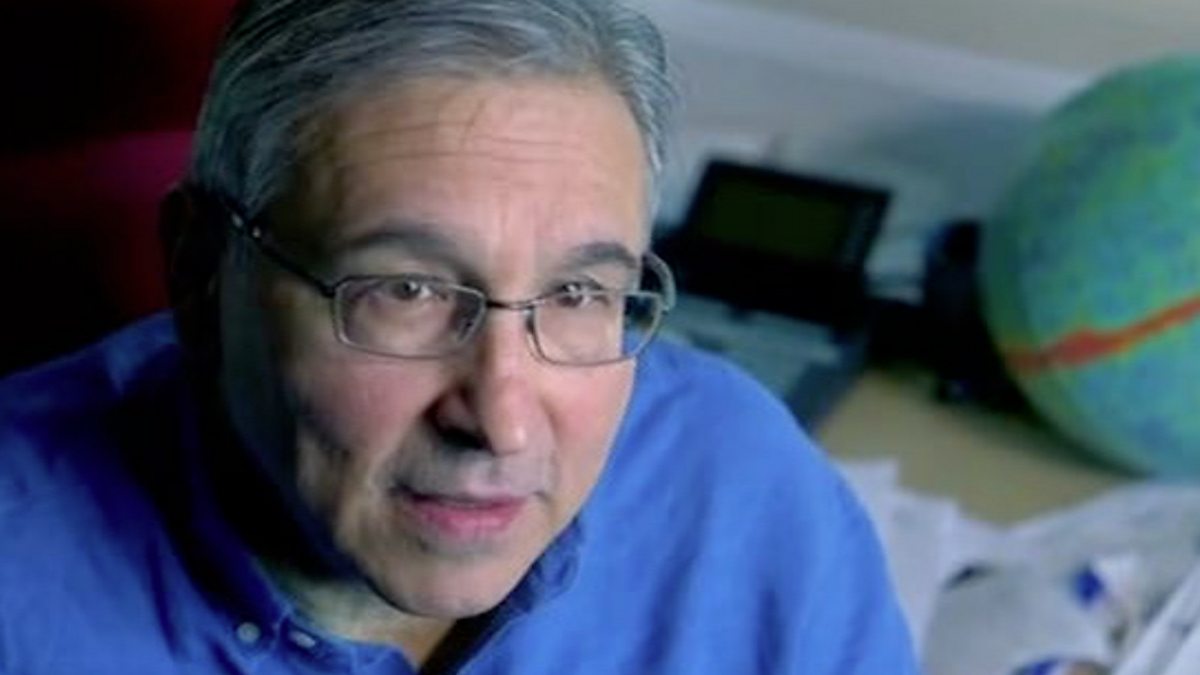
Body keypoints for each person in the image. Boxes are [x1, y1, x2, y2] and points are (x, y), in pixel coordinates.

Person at [0, 0, 917, 672]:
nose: (502, 423)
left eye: (577, 292)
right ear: (203, 270)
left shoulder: (741, 485)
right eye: (407, 290)